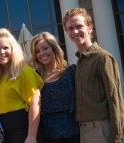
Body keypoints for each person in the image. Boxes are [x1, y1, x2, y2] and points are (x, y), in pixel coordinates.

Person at [62, 7, 124, 143]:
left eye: (79, 26)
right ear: (67, 32)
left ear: (90, 28)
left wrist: (117, 138)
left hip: (101, 131)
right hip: (83, 132)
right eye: (70, 28)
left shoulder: (103, 58)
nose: (75, 31)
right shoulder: (80, 62)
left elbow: (116, 102)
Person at [0, 28, 44, 143]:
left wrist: (31, 136)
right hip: (5, 130)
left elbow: (35, 104)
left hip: (25, 127)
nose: (2, 52)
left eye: (5, 48)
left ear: (13, 49)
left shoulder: (24, 71)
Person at [30, 32, 80, 143]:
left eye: (45, 48)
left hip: (75, 133)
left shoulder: (72, 70)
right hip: (48, 136)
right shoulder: (35, 76)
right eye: (37, 51)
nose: (41, 53)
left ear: (54, 48)